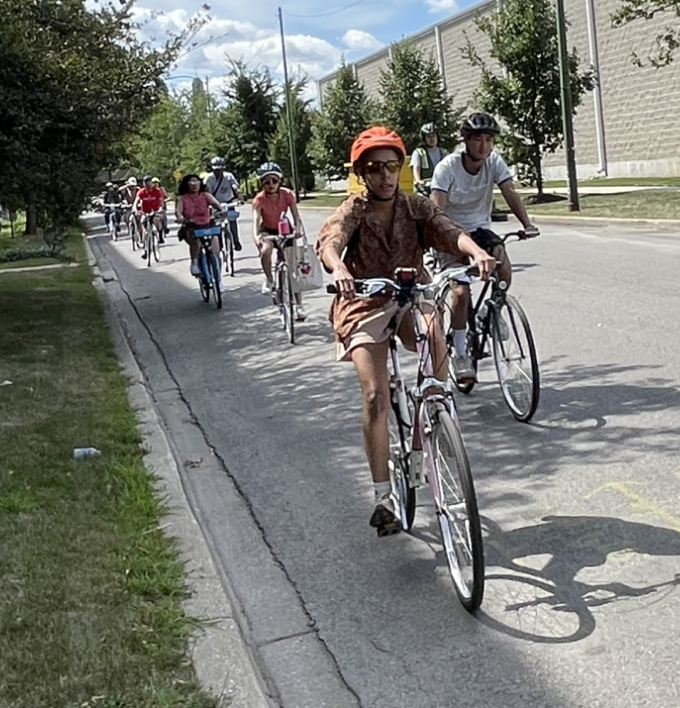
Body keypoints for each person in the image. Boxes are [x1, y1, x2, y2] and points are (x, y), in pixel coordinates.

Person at [317, 127, 495, 536]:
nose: (384, 176)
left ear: (400, 169)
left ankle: (434, 412)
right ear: (362, 172)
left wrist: (476, 251)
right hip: (364, 303)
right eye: (375, 168)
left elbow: (448, 230)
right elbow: (330, 241)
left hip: (409, 296)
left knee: (434, 335)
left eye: (391, 167)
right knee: (376, 395)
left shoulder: (415, 207)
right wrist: (340, 267)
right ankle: (383, 497)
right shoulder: (354, 210)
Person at [430, 110, 538, 387]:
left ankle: (490, 314)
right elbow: (436, 208)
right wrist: (437, 236)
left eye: (489, 140)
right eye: (478, 140)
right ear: (466, 141)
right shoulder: (447, 168)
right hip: (450, 234)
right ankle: (462, 353)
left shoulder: (495, 163)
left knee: (504, 272)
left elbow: (510, 192)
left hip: (479, 230)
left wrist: (526, 223)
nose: (484, 146)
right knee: (460, 291)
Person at [250, 161, 306, 317]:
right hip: (267, 229)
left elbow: (295, 216)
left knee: (292, 267)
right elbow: (256, 221)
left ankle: (299, 306)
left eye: (274, 181)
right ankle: (269, 279)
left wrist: (297, 229)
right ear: (262, 184)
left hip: (284, 227)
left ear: (279, 181)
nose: (271, 185)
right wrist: (256, 237)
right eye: (266, 182)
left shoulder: (287, 194)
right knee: (266, 249)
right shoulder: (259, 199)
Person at [175, 173, 225, 276]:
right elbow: (178, 212)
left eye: (196, 181)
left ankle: (218, 278)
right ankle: (194, 263)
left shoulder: (206, 195)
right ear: (186, 185)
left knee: (216, 249)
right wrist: (181, 218)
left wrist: (221, 210)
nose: (194, 184)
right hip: (191, 227)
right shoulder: (181, 198)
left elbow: (216, 204)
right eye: (191, 182)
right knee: (196, 242)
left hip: (207, 226)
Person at [204, 156, 244, 257]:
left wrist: (240, 197)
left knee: (232, 220)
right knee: (215, 224)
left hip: (228, 202)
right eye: (216, 170)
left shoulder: (229, 176)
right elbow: (205, 192)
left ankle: (235, 240)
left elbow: (235, 187)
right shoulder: (209, 179)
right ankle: (218, 244)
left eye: (220, 169)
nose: (218, 172)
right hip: (215, 204)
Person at [410, 122, 447, 192]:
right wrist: (418, 180)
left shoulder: (444, 152)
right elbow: (416, 168)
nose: (432, 139)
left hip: (441, 188)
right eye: (429, 136)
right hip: (424, 189)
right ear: (424, 139)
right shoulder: (418, 153)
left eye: (434, 136)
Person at [135, 175, 168, 244]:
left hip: (155, 211)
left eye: (149, 182)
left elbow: (161, 201)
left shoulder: (157, 191)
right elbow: (136, 202)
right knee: (144, 229)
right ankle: (145, 247)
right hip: (145, 212)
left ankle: (160, 235)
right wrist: (135, 209)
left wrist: (160, 208)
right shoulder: (141, 192)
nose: (147, 184)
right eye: (145, 182)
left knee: (157, 220)